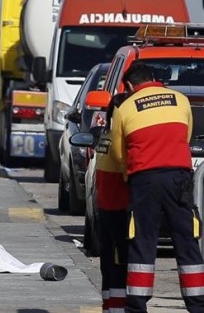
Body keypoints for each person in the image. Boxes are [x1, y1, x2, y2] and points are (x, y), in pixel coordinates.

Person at [109, 63, 204, 312]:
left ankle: (137, 306)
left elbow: (119, 154)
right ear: (153, 78)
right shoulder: (180, 100)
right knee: (187, 241)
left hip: (144, 180)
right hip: (178, 178)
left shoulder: (125, 107)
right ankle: (197, 305)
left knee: (142, 242)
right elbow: (185, 137)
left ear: (130, 86)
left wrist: (128, 175)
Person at [94, 93, 131, 313]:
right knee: (120, 261)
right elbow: (128, 170)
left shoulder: (105, 135)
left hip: (104, 207)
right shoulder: (119, 140)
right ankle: (117, 307)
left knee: (107, 261)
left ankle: (108, 305)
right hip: (119, 207)